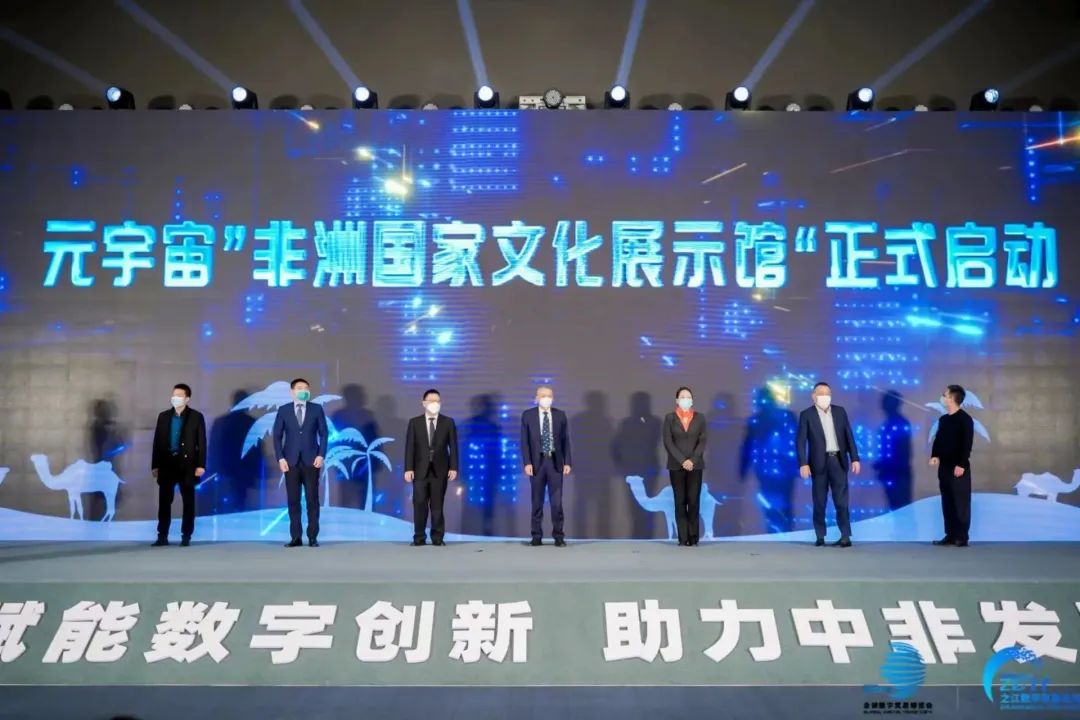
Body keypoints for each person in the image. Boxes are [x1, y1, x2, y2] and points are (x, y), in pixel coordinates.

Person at [797, 382, 861, 547]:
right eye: (821, 393)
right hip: (818, 463)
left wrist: (855, 458)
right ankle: (820, 535)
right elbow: (800, 441)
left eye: (828, 393)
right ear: (814, 396)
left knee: (841, 501)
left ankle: (845, 536)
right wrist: (803, 463)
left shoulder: (840, 411)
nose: (824, 396)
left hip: (838, 461)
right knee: (819, 501)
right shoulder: (806, 415)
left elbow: (849, 436)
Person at [272, 378, 328, 547]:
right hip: (290, 462)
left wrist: (321, 455)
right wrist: (280, 458)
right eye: (299, 388)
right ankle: (296, 537)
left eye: (306, 388)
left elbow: (324, 433)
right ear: (292, 392)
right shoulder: (284, 410)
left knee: (312, 500)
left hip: (312, 461)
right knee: (293, 501)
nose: (303, 390)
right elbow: (277, 436)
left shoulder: (317, 409)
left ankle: (312, 537)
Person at [150, 383, 206, 547]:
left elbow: (202, 443)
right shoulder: (163, 416)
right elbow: (157, 442)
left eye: (179, 396)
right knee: (164, 502)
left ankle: (186, 535)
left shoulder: (196, 417)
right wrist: (155, 465)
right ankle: (162, 536)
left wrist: (201, 465)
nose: (175, 398)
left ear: (187, 399)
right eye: (174, 395)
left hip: (187, 465)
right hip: (167, 464)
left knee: (188, 502)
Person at [404, 388, 459, 546]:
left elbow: (453, 446)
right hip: (420, 470)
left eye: (437, 401)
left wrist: (453, 467)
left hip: (440, 470)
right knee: (419, 504)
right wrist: (408, 468)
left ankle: (437, 538)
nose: (435, 404)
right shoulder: (415, 423)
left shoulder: (448, 422)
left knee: (437, 505)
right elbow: (410, 447)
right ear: (424, 403)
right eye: (432, 401)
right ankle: (419, 537)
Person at [520, 385, 572, 547]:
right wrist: (527, 462)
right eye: (543, 396)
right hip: (537, 464)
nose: (546, 398)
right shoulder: (528, 415)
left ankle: (558, 536)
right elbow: (524, 441)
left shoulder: (560, 415)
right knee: (537, 502)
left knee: (557, 503)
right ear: (536, 398)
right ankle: (536, 536)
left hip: (555, 463)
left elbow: (565, 440)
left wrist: (567, 462)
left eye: (549, 396)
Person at [930, 384, 975, 547]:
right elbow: (939, 439)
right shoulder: (943, 420)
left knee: (960, 502)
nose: (942, 398)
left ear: (952, 398)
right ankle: (950, 535)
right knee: (947, 501)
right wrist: (935, 455)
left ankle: (961, 536)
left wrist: (961, 464)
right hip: (945, 467)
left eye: (945, 395)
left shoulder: (965, 419)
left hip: (959, 467)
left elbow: (967, 444)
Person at [662, 387, 707, 546]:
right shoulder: (670, 418)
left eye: (688, 397)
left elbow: (702, 441)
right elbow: (668, 442)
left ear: (692, 400)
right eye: (682, 397)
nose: (685, 399)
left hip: (695, 466)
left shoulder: (700, 418)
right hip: (676, 466)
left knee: (693, 501)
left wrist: (692, 460)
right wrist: (683, 461)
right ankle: (683, 537)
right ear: (677, 400)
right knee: (679, 501)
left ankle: (693, 537)